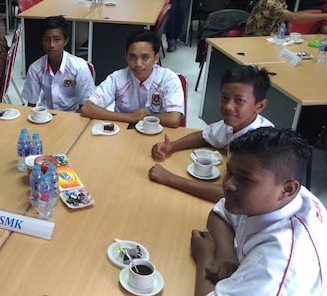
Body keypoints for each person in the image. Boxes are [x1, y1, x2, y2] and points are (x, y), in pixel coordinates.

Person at [191, 127, 327, 295]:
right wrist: (225, 255)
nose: (229, 185)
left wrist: (205, 256)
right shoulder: (280, 196)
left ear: (288, 189)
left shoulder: (276, 263)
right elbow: (219, 213)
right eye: (229, 172)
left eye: (245, 179)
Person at [149, 65, 274, 202]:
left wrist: (170, 178)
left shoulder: (260, 145)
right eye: (224, 98)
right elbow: (205, 136)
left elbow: (232, 195)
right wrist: (172, 146)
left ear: (260, 106)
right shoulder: (235, 124)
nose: (228, 106)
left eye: (239, 100)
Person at [80, 30, 184, 127]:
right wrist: (130, 117)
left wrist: (142, 119)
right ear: (126, 57)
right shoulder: (117, 78)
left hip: (157, 133)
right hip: (123, 135)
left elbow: (173, 119)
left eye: (145, 57)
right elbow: (87, 108)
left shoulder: (168, 79)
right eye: (132, 57)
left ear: (156, 58)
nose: (138, 64)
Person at [22, 16, 95, 112]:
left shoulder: (79, 67)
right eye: (47, 40)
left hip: (74, 115)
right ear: (41, 41)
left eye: (57, 40)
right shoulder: (35, 69)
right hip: (47, 114)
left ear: (66, 41)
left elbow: (85, 106)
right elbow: (31, 105)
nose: (51, 45)